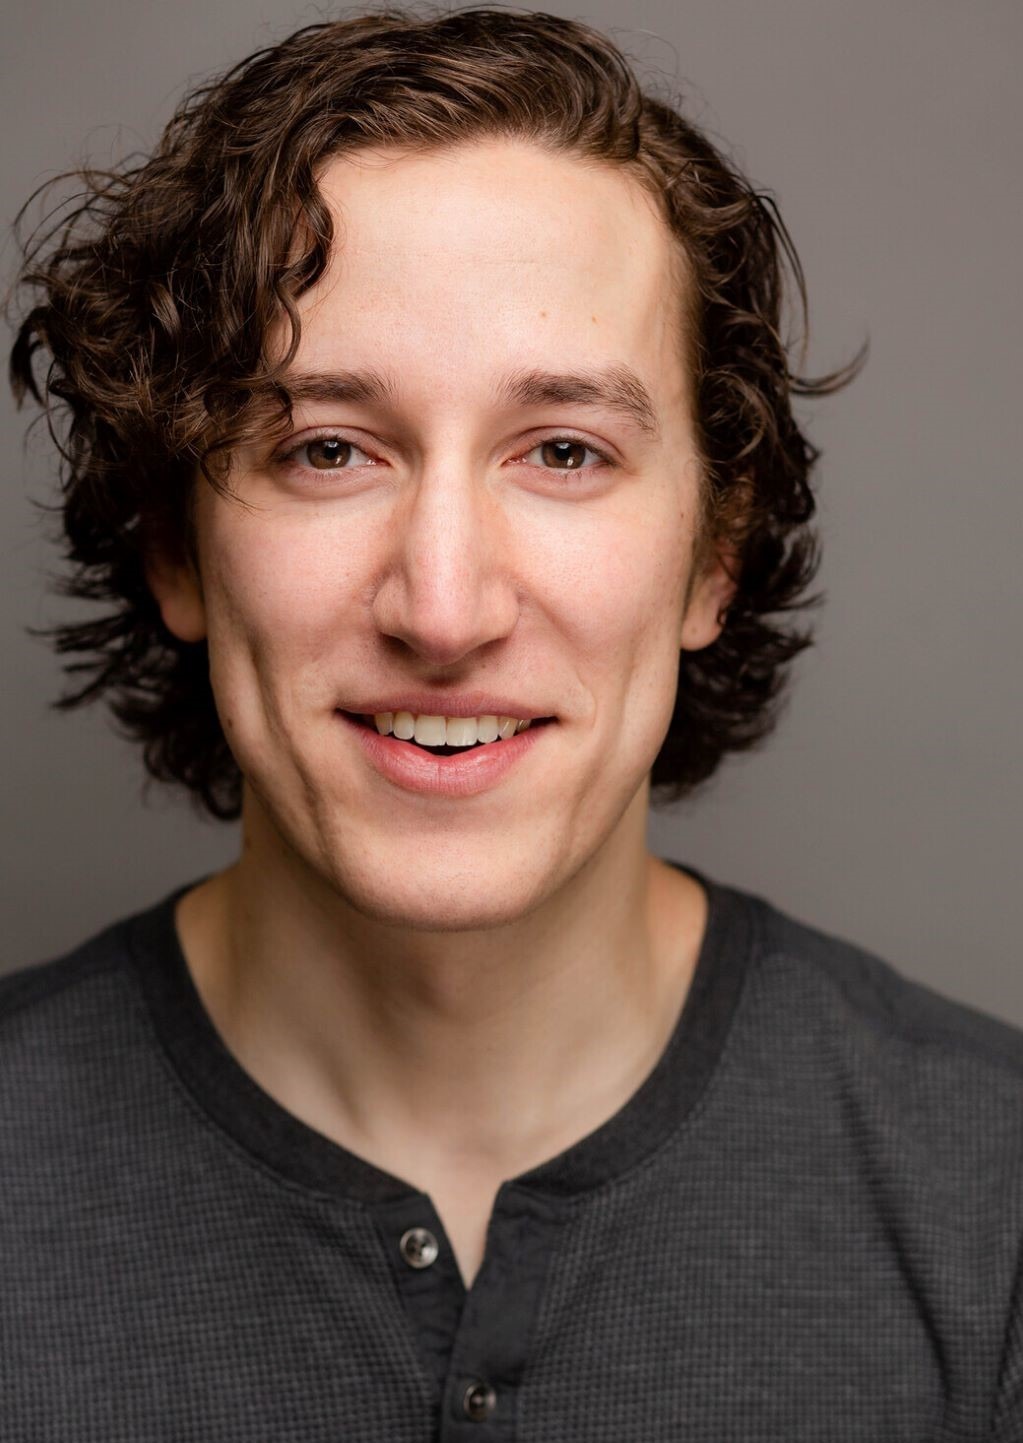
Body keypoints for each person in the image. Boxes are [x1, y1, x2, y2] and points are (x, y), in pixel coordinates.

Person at [3, 7, 1021, 1438]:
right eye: (328, 448)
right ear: (176, 546)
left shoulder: (994, 1209)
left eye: (563, 451)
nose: (445, 606)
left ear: (715, 555)